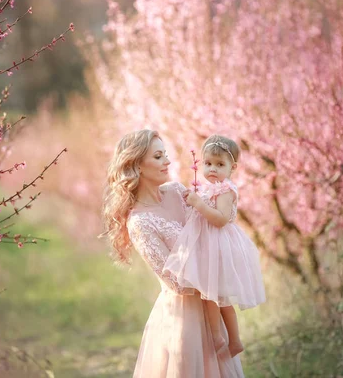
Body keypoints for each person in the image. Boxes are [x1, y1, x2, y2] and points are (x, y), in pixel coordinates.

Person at [101, 129, 244, 377]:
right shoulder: (140, 222)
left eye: (165, 154)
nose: (167, 161)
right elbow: (176, 281)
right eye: (158, 156)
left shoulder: (179, 192)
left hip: (212, 307)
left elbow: (211, 231)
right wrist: (212, 271)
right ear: (137, 165)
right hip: (182, 318)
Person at [163, 134, 266, 358]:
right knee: (209, 293)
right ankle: (222, 337)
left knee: (216, 295)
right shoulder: (209, 187)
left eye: (220, 165)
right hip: (206, 244)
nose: (212, 169)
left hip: (218, 246)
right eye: (208, 163)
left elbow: (220, 219)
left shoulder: (226, 190)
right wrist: (193, 202)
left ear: (233, 167)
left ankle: (225, 338)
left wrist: (199, 204)